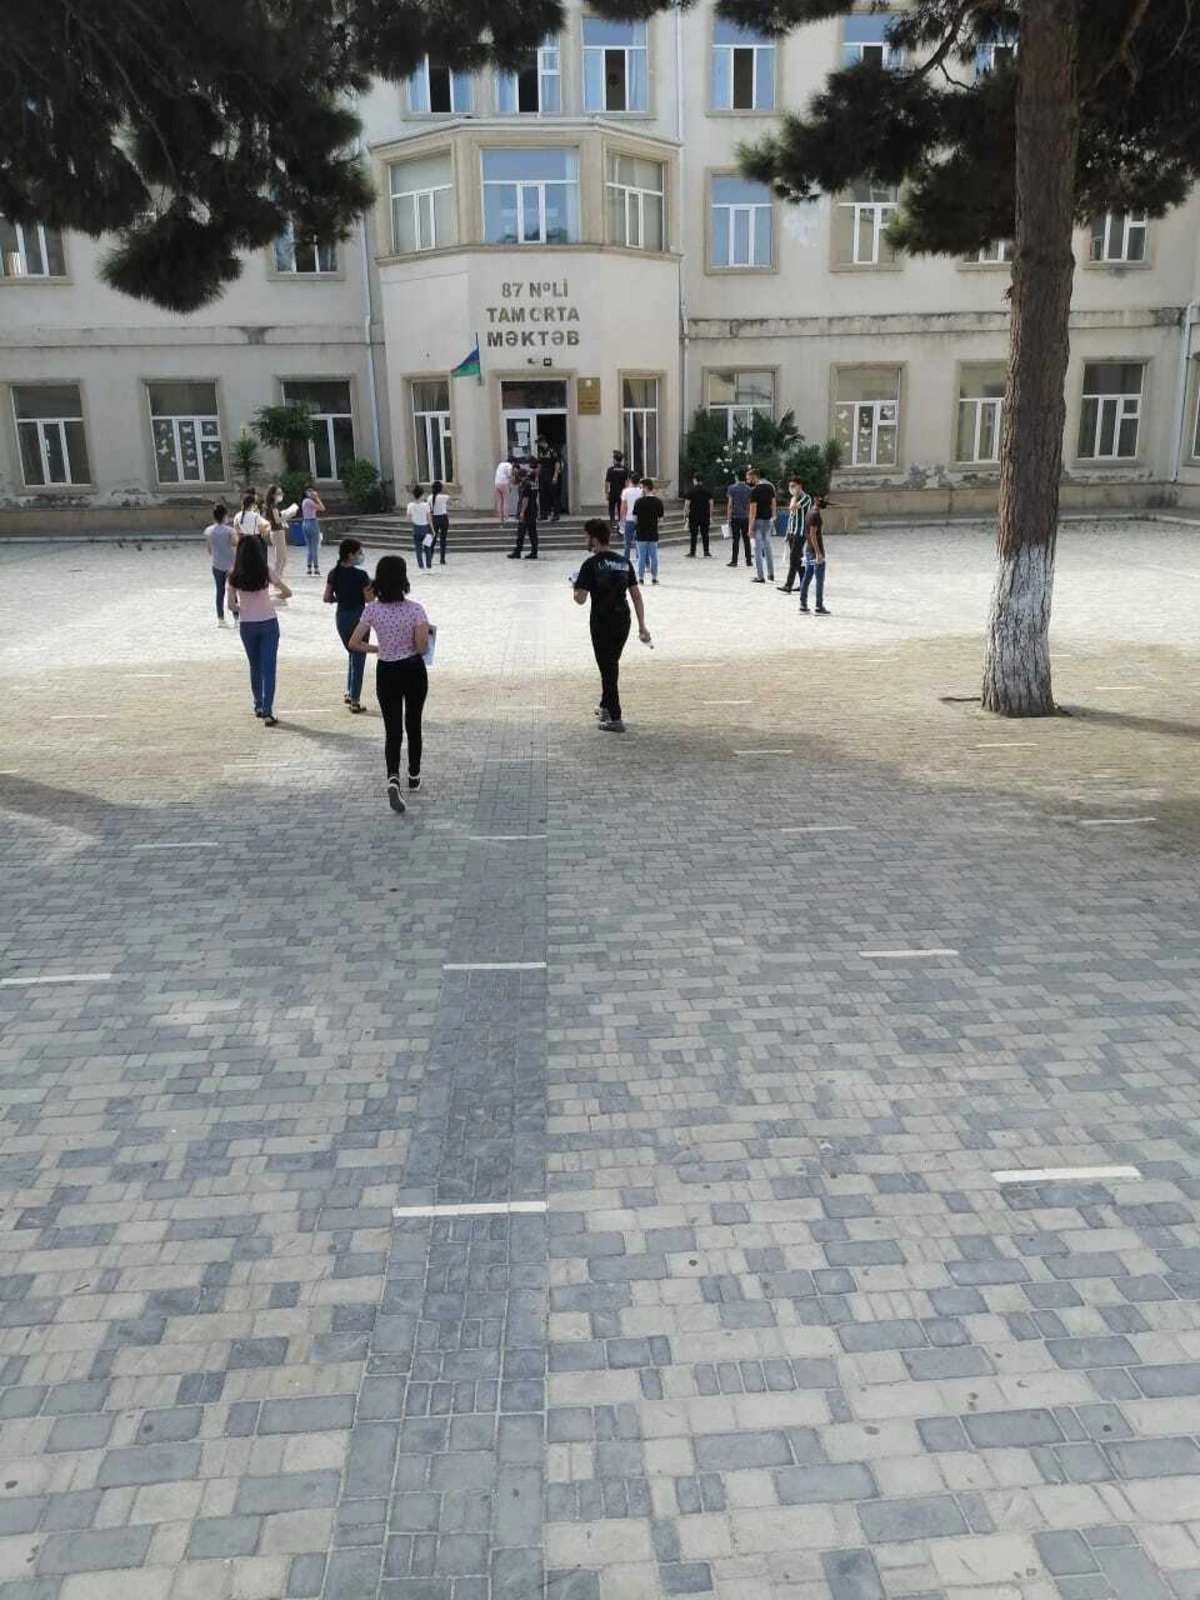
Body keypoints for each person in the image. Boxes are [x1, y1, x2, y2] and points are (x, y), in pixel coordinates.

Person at [348, 555, 430, 814]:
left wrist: (378, 648)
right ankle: (413, 775)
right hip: (413, 669)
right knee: (413, 723)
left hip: (386, 670)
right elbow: (421, 647)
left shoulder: (372, 610)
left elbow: (354, 642)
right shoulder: (416, 610)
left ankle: (393, 777)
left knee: (392, 728)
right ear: (403, 578)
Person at [573, 519, 651, 734]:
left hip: (602, 621)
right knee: (610, 663)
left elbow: (580, 599)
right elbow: (636, 596)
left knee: (607, 667)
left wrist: (575, 586)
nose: (584, 540)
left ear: (594, 539)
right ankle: (605, 705)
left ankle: (615, 717)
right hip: (623, 620)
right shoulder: (624, 562)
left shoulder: (590, 565)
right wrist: (642, 626)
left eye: (585, 536)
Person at [227, 526, 291, 725]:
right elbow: (287, 592)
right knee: (269, 667)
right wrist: (271, 598)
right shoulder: (266, 571)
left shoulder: (234, 575)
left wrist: (243, 606)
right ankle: (268, 711)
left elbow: (231, 606)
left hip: (248, 625)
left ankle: (258, 704)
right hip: (268, 622)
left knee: (255, 665)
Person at [323, 538, 372, 712]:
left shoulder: (333, 573)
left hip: (342, 617)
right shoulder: (361, 575)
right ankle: (355, 700)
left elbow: (327, 597)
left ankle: (350, 692)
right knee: (359, 656)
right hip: (360, 617)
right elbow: (369, 598)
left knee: (352, 653)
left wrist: (340, 598)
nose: (361, 556)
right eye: (359, 553)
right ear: (351, 555)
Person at [778, 477, 813, 593]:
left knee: (793, 558)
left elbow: (792, 507)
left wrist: (794, 497)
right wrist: (787, 533)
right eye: (790, 486)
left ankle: (788, 585)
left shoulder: (806, 498)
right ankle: (804, 583)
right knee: (798, 560)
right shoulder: (794, 498)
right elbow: (791, 517)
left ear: (799, 486)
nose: (791, 488)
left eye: (793, 486)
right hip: (792, 532)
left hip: (801, 532)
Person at [204, 503, 236, 626]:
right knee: (233, 591)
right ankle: (237, 618)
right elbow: (235, 544)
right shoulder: (230, 530)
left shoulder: (209, 530)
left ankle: (220, 619)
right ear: (224, 516)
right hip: (230, 565)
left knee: (220, 592)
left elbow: (209, 550)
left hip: (217, 564)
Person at [798, 497, 830, 615]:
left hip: (808, 550)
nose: (825, 503)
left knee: (806, 578)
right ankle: (818, 606)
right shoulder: (815, 515)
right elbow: (813, 535)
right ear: (817, 501)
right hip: (815, 551)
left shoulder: (809, 512)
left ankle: (803, 604)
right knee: (819, 580)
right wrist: (818, 553)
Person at [747, 466, 777, 584]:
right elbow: (773, 503)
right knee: (768, 547)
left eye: (748, 478)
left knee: (757, 549)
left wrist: (750, 528)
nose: (748, 481)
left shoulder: (754, 491)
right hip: (768, 520)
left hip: (758, 521)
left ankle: (760, 576)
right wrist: (773, 516)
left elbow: (752, 511)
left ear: (754, 477)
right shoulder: (769, 487)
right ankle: (771, 573)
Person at [632, 477, 664, 585]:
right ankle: (654, 578)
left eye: (641, 487)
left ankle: (641, 579)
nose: (641, 490)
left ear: (645, 488)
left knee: (641, 557)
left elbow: (634, 518)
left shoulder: (638, 501)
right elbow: (661, 519)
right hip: (653, 532)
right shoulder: (658, 502)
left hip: (641, 532)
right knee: (653, 556)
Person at [263, 483, 289, 600]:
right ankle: (276, 582)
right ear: (273, 495)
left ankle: (278, 580)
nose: (280, 495)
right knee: (280, 559)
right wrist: (287, 515)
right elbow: (277, 520)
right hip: (277, 532)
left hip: (278, 532)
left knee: (283, 559)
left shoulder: (272, 506)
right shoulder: (273, 506)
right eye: (278, 493)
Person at [510, 462, 540, 559]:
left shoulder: (526, 484)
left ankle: (517, 552)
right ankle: (534, 552)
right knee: (533, 532)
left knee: (521, 532)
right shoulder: (534, 483)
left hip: (527, 511)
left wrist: (522, 512)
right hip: (533, 510)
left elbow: (525, 499)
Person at [725, 471, 753, 569]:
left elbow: (730, 505)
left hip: (735, 517)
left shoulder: (732, 488)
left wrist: (728, 518)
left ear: (736, 477)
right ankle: (749, 561)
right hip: (746, 517)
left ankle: (734, 561)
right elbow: (750, 504)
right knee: (746, 540)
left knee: (735, 540)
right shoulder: (749, 489)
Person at [684, 476, 713, 558]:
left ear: (695, 480)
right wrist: (711, 516)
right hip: (705, 515)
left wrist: (686, 515)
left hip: (693, 515)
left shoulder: (691, 491)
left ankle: (692, 552)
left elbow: (686, 505)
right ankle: (706, 552)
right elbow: (711, 504)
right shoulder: (707, 491)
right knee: (705, 534)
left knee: (693, 535)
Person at [407, 484, 434, 570]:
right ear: (422, 494)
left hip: (416, 528)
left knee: (418, 549)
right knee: (427, 548)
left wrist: (415, 520)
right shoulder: (426, 505)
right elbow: (429, 519)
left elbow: (408, 519)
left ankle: (421, 567)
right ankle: (429, 567)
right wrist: (433, 530)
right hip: (425, 528)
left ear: (413, 495)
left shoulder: (410, 505)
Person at [301, 485, 326, 576]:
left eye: (312, 491)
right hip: (312, 523)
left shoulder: (304, 501)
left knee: (309, 547)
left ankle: (308, 568)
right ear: (306, 492)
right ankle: (316, 568)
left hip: (305, 523)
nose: (312, 492)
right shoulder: (310, 501)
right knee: (314, 547)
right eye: (310, 491)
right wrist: (317, 498)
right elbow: (323, 508)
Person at [619, 471, 642, 562]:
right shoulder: (641, 492)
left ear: (630, 480)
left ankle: (626, 558)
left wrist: (622, 519)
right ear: (639, 481)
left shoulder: (625, 491)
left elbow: (623, 507)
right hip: (639, 519)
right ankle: (638, 557)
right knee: (639, 540)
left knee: (627, 541)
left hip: (629, 518)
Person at [430, 480, 451, 565]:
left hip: (434, 518)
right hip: (443, 518)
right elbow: (450, 495)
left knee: (433, 540)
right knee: (443, 540)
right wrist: (445, 488)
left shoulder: (429, 497)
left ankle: (429, 558)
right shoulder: (443, 497)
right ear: (440, 488)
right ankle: (442, 559)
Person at [605, 451, 627, 526]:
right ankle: (620, 521)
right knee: (620, 507)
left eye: (613, 459)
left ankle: (612, 521)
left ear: (615, 460)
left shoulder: (610, 470)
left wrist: (606, 493)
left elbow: (607, 482)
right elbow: (627, 482)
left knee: (611, 507)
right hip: (622, 492)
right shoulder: (625, 469)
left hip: (613, 492)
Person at [494, 456, 515, 522]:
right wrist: (511, 485)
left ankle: (501, 518)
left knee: (499, 501)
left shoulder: (500, 464)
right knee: (506, 501)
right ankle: (506, 517)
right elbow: (509, 475)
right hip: (504, 483)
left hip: (497, 483)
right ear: (513, 462)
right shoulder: (509, 465)